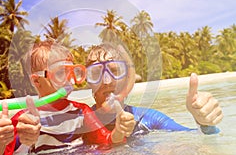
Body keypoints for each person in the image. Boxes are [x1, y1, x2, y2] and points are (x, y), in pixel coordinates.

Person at [0, 40, 135, 155]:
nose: (68, 79)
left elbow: (106, 141)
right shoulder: (26, 120)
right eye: (60, 73)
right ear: (37, 81)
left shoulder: (81, 112)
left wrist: (119, 131)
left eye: (72, 72)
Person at [86, 43, 223, 138]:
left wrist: (205, 124)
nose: (107, 81)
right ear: (88, 81)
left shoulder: (147, 119)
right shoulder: (77, 125)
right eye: (95, 74)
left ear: (127, 79)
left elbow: (194, 138)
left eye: (115, 71)